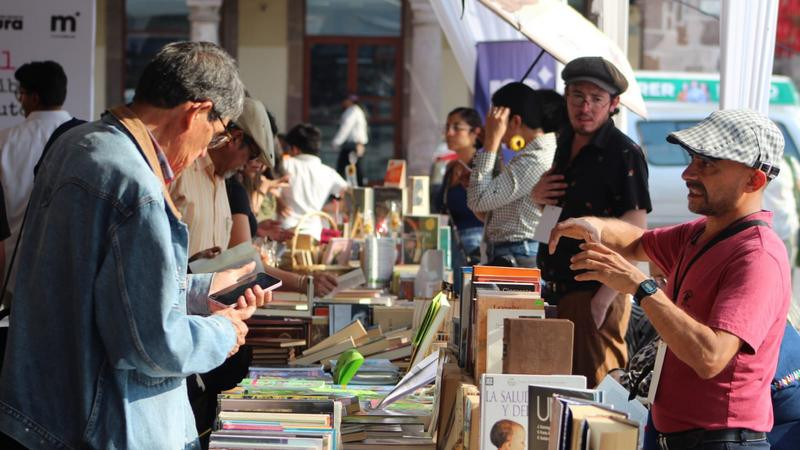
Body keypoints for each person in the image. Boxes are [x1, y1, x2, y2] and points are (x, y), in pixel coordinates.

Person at [0, 41, 271, 449]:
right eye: (214, 136)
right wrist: (221, 332)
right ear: (196, 112)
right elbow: (151, 342)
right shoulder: (137, 184)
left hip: (46, 414)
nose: (204, 151)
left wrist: (201, 290)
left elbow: (101, 287)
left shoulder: (79, 143)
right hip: (103, 422)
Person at [551, 109, 791, 449]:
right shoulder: (699, 234)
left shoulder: (758, 256)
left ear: (753, 181)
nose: (687, 173)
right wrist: (597, 227)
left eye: (707, 164)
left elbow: (711, 357)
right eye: (692, 159)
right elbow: (635, 241)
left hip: (721, 442)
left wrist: (641, 287)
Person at [533, 57, 651, 387]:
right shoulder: (564, 142)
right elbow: (553, 214)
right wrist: (537, 197)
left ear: (613, 104)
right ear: (566, 96)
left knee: (597, 395)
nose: (585, 106)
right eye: (577, 96)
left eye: (596, 98)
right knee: (556, 395)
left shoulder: (624, 152)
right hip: (554, 289)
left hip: (595, 294)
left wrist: (602, 300)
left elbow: (637, 231)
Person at [468, 85, 565, 268]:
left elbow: (477, 200)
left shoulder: (535, 159)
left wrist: (491, 141)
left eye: (497, 122)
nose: (494, 128)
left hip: (518, 254)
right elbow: (486, 210)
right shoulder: (534, 154)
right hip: (515, 252)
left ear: (515, 121)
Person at [170, 97, 273, 259]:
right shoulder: (181, 169)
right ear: (236, 139)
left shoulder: (223, 182)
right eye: (251, 155)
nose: (248, 163)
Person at [0, 61, 71, 296]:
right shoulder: (88, 138)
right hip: (67, 273)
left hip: (11, 273)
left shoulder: (5, 142)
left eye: (21, 93)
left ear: (34, 97)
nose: (19, 100)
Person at [434, 107, 484, 281]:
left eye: (456, 127)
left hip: (476, 248)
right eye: (447, 127)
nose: (449, 133)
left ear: (475, 132)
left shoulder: (482, 166)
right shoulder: (449, 168)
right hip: (452, 247)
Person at [282, 123, 349, 241]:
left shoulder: (285, 164)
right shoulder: (328, 172)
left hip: (285, 232)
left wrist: (278, 201)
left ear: (295, 149)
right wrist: (322, 210)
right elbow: (350, 197)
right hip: (313, 234)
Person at [333, 94, 368, 186]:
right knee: (350, 169)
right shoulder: (357, 111)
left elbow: (346, 127)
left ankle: (357, 189)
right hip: (353, 145)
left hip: (352, 145)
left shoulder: (353, 111)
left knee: (349, 169)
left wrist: (336, 142)